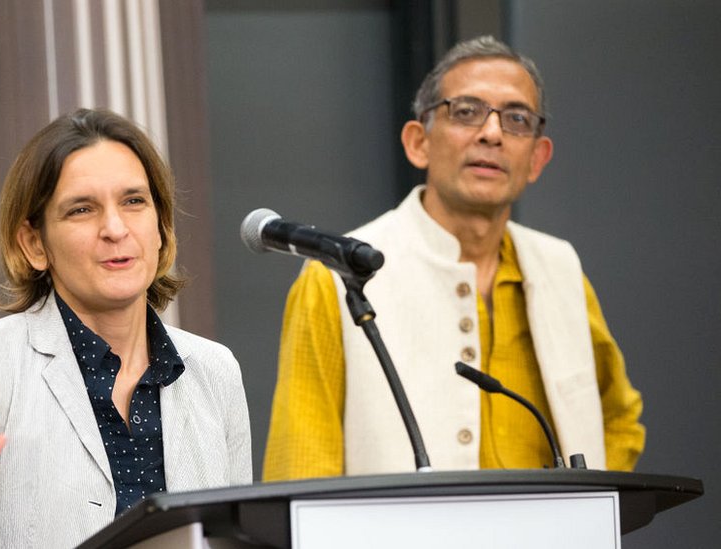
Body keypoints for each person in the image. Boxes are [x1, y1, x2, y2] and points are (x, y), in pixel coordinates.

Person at [263, 36, 645, 479]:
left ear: (538, 159)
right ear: (417, 142)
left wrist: (588, 512)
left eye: (517, 119)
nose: (492, 133)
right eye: (466, 112)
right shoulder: (337, 275)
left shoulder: (560, 268)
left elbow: (620, 420)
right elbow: (302, 468)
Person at [0, 108, 252, 547]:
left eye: (134, 201)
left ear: (161, 227)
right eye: (82, 210)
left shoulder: (215, 371)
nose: (115, 229)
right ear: (35, 243)